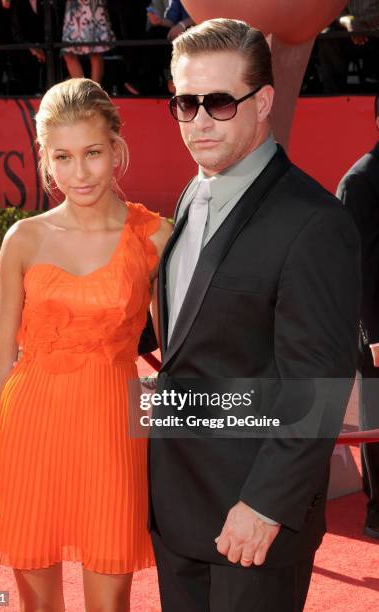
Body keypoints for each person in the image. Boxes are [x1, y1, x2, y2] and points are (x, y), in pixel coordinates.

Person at [148, 18, 361, 612]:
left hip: (253, 522)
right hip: (177, 507)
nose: (197, 123)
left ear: (264, 101)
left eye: (218, 102)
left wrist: (265, 505)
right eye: (184, 104)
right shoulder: (195, 192)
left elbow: (317, 385)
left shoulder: (314, 223)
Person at [0, 77, 172, 610]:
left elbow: (176, 359)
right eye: (63, 157)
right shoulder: (23, 239)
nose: (80, 173)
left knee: (109, 602)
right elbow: (0, 359)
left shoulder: (155, 236)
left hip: (114, 436)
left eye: (93, 153)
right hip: (28, 430)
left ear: (116, 149)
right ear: (45, 160)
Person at [336, 94, 379, 540]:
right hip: (374, 328)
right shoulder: (361, 181)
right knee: (375, 419)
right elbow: (357, 268)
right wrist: (372, 334)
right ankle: (377, 513)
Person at [62, 0, 115, 83]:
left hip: (92, 6)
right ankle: (83, 91)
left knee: (95, 52)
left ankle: (93, 92)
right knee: (68, 53)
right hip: (74, 8)